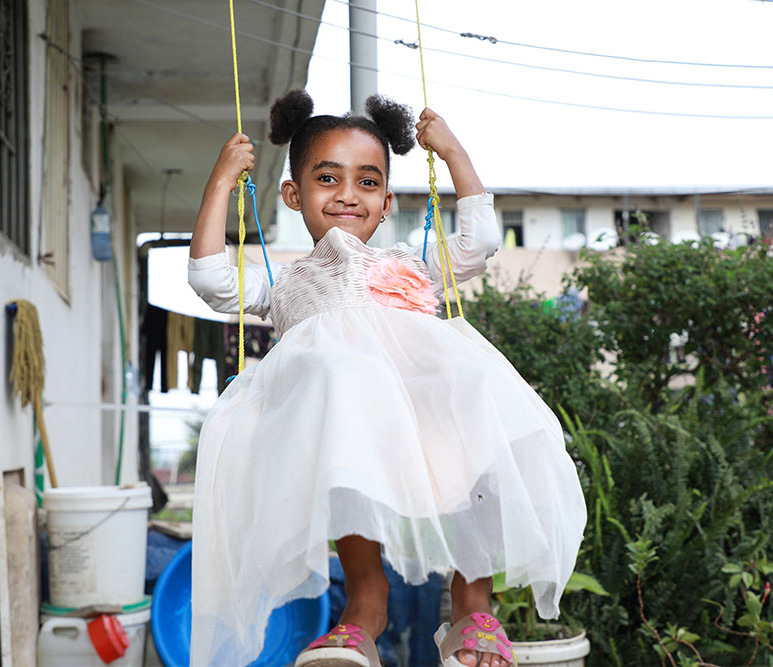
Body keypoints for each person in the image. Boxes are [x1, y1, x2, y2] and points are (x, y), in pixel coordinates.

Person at [187, 89, 586, 667]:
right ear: (293, 194)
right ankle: (365, 609)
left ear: (387, 197)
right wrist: (222, 182)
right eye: (329, 178)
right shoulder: (285, 282)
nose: (349, 194)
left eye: (367, 182)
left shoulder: (411, 262)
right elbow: (209, 278)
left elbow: (479, 244)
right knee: (346, 440)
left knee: (477, 407)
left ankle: (472, 607)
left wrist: (452, 153)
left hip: (425, 412)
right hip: (350, 424)